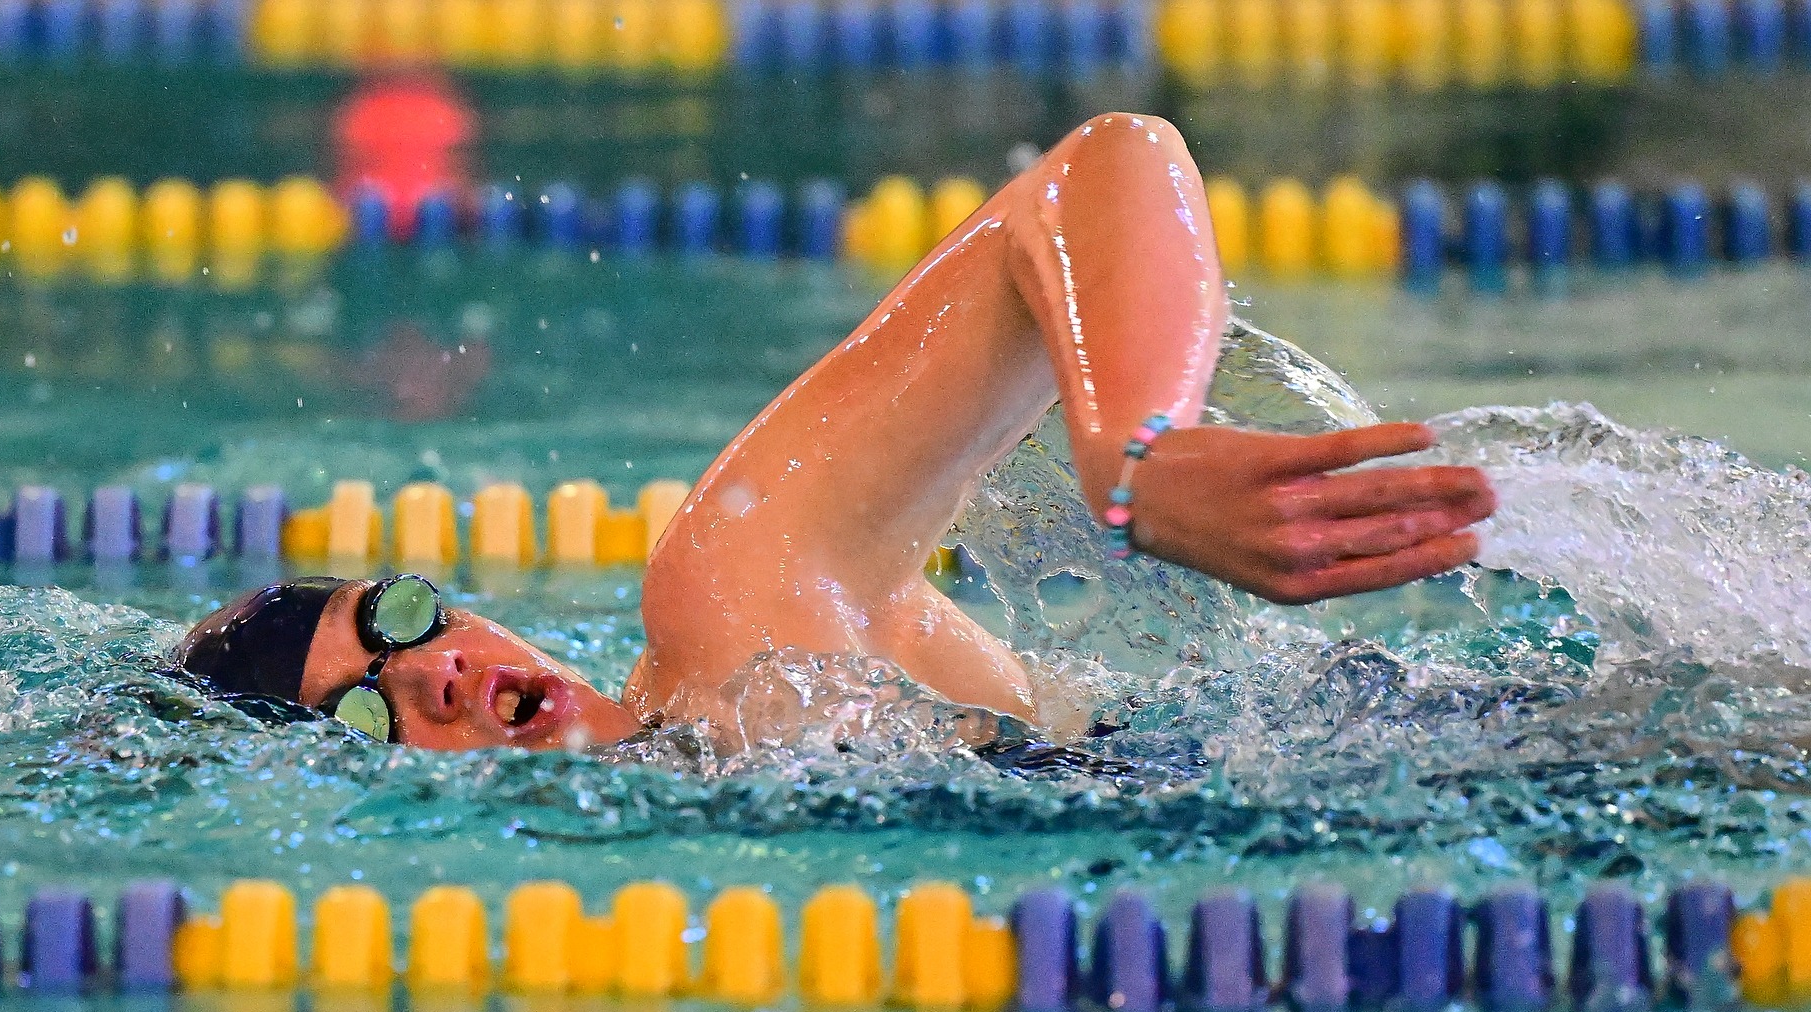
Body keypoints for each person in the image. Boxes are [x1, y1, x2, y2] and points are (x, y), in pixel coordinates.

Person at [179, 113, 1497, 754]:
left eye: (400, 618)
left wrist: (1136, 452)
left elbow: (1107, 165)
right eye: (362, 715)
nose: (435, 676)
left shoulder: (731, 614)